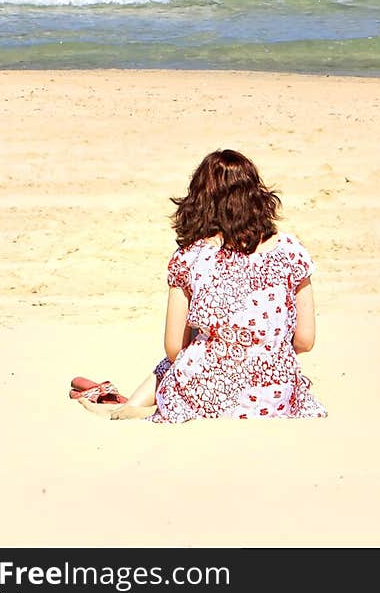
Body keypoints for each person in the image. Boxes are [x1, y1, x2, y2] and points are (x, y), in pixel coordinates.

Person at [74, 148, 326, 422]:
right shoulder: (291, 251)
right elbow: (305, 340)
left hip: (205, 396)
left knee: (196, 347)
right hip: (275, 400)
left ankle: (131, 408)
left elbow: (174, 348)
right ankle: (133, 406)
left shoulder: (190, 258)